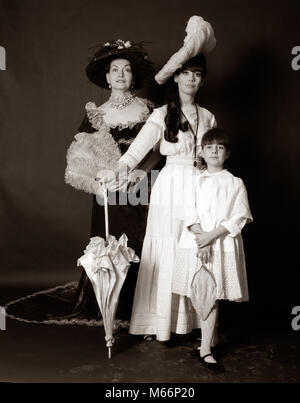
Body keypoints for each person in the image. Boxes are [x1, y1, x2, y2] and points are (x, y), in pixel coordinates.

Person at [5, 39, 162, 327]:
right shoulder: (96, 114)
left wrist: (139, 174)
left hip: (143, 186)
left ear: (133, 76)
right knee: (110, 241)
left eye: (126, 70)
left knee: (143, 242)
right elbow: (82, 157)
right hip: (108, 191)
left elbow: (157, 150)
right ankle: (107, 301)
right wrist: (102, 182)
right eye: (115, 70)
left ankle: (142, 306)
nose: (121, 75)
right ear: (107, 77)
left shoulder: (149, 110)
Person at [101, 16, 218, 341]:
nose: (191, 80)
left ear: (202, 80)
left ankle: (191, 323)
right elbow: (136, 153)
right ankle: (158, 324)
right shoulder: (161, 115)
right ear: (176, 77)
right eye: (186, 73)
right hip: (170, 188)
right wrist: (118, 171)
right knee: (165, 250)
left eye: (197, 75)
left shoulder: (208, 116)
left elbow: (215, 160)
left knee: (195, 251)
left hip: (200, 188)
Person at [172, 128, 253, 373]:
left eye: (219, 147)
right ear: (202, 153)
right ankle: (209, 341)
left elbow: (239, 216)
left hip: (221, 243)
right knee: (202, 290)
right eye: (209, 147)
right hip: (195, 242)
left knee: (211, 292)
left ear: (227, 153)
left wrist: (210, 238)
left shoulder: (235, 183)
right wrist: (201, 238)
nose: (214, 151)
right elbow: (187, 211)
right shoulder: (195, 180)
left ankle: (205, 348)